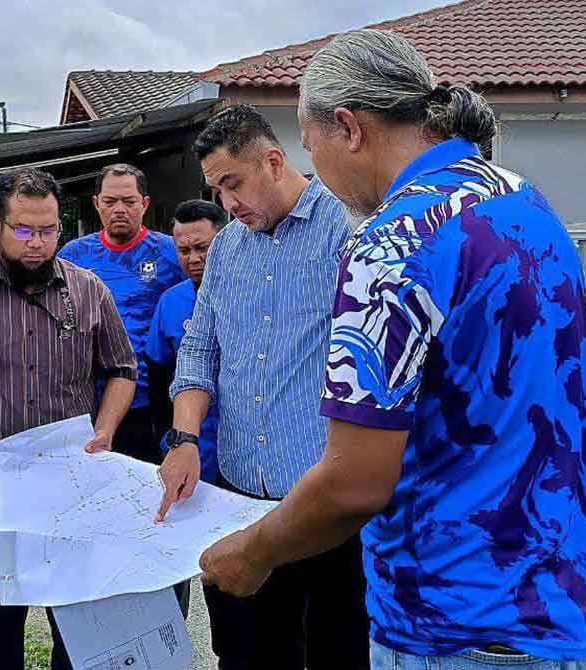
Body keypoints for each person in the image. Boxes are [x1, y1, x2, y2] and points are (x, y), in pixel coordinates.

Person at [200, 29, 586, 670]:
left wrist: (250, 554)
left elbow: (355, 483)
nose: (321, 175)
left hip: (454, 624)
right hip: (560, 608)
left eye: (312, 149)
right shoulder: (521, 200)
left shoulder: (392, 242)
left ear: (348, 127)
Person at [155, 104, 367, 670]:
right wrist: (184, 439)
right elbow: (201, 348)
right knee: (249, 654)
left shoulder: (347, 233)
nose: (226, 204)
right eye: (217, 190)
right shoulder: (226, 250)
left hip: (328, 509)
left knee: (339, 652)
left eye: (232, 184)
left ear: (273, 161)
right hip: (242, 500)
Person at [0, 168, 138, 670]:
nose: (37, 243)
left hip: (69, 500)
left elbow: (122, 370)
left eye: (48, 231)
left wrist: (105, 429)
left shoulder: (89, 291)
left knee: (76, 637)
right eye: (24, 230)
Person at [58, 163, 187, 464]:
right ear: (96, 204)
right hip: (88, 404)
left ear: (144, 204)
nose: (119, 209)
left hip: (153, 403)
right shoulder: (72, 257)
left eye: (129, 202)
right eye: (110, 201)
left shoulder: (172, 254)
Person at [146, 199, 228, 485]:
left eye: (202, 248)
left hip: (247, 444)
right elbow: (157, 375)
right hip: (193, 444)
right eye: (184, 250)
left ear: (224, 240)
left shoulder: (251, 293)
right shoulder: (171, 302)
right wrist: (166, 437)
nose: (193, 258)